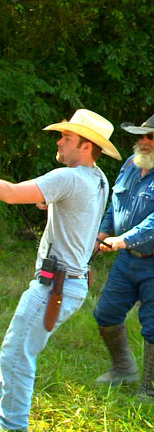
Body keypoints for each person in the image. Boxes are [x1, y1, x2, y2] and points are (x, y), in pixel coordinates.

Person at [0, 109, 121, 431]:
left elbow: (10, 194)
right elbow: (76, 209)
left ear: (86, 146)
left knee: (17, 352)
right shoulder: (98, 178)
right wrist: (51, 201)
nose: (59, 141)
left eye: (66, 137)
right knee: (21, 346)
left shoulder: (68, 178)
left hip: (55, 287)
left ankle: (12, 425)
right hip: (70, 284)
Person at [93, 113, 154, 399]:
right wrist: (103, 233)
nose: (143, 141)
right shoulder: (131, 164)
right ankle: (123, 369)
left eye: (150, 137)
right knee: (106, 313)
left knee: (153, 327)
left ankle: (149, 389)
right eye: (141, 136)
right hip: (127, 259)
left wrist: (125, 239)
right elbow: (114, 205)